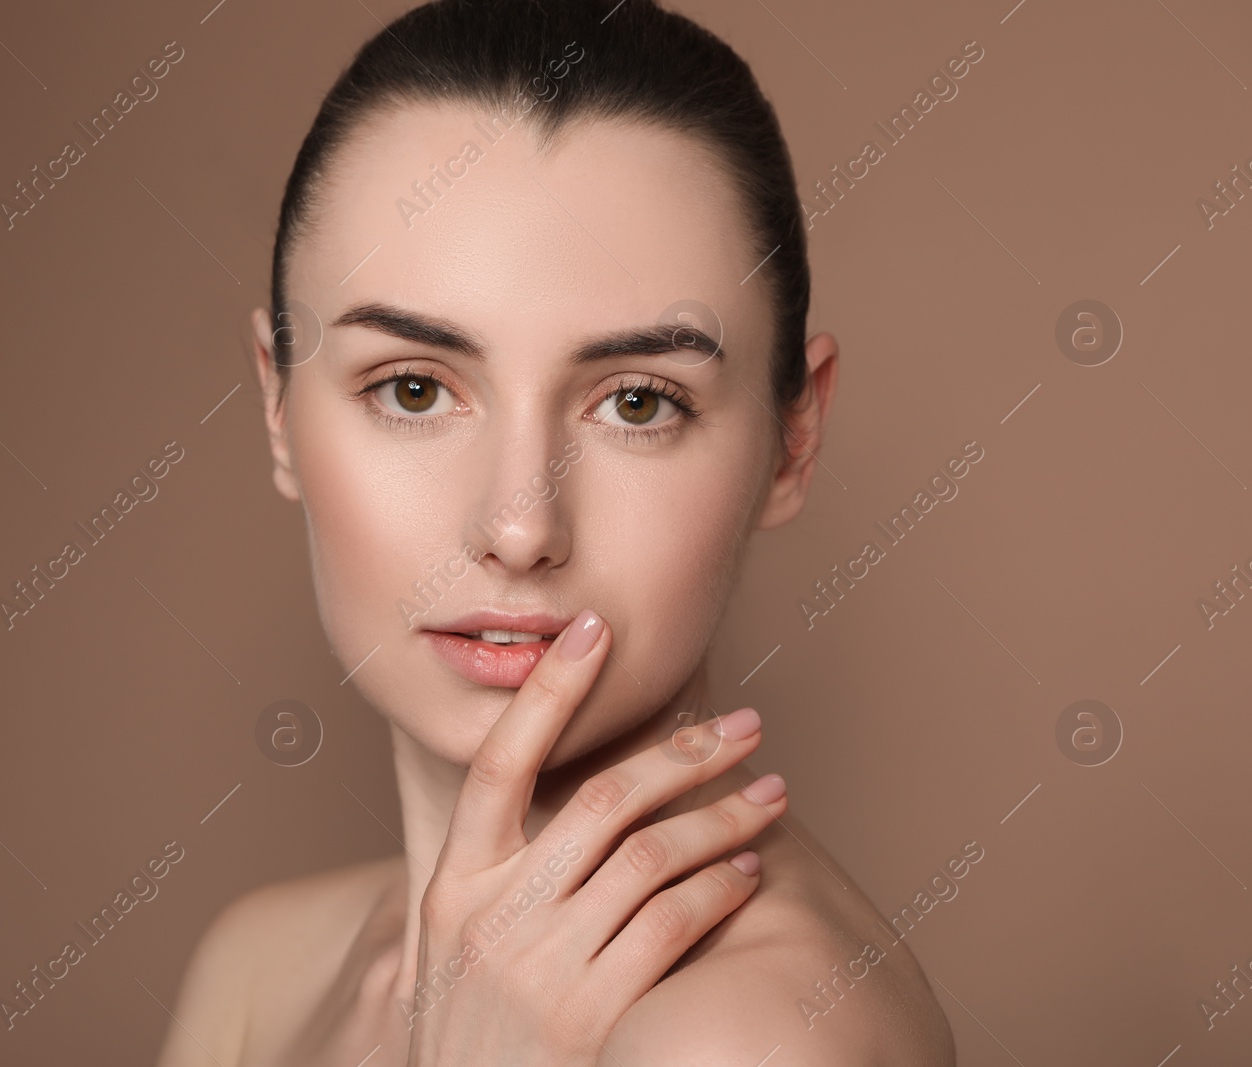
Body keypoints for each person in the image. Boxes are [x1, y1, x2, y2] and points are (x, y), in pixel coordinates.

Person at [156, 1, 956, 1062]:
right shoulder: (260, 963)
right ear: (277, 409)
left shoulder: (754, 1037)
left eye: (635, 401)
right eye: (410, 388)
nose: (520, 524)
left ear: (791, 437)